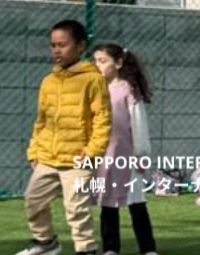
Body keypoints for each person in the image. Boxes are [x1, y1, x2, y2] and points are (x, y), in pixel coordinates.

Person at [16, 19, 110, 255]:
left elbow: (102, 119)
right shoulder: (48, 81)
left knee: (76, 208)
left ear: (80, 46)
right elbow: (41, 121)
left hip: (79, 159)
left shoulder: (93, 79)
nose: (57, 50)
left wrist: (92, 152)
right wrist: (34, 151)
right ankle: (45, 242)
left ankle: (86, 249)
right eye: (53, 45)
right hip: (47, 157)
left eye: (63, 45)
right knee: (33, 200)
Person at [90, 44, 159, 255]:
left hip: (128, 158)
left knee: (136, 203)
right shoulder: (95, 89)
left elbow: (139, 124)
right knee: (107, 203)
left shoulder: (128, 90)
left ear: (118, 63)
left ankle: (148, 249)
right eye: (95, 61)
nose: (97, 65)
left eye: (103, 61)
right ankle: (111, 248)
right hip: (104, 157)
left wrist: (141, 155)